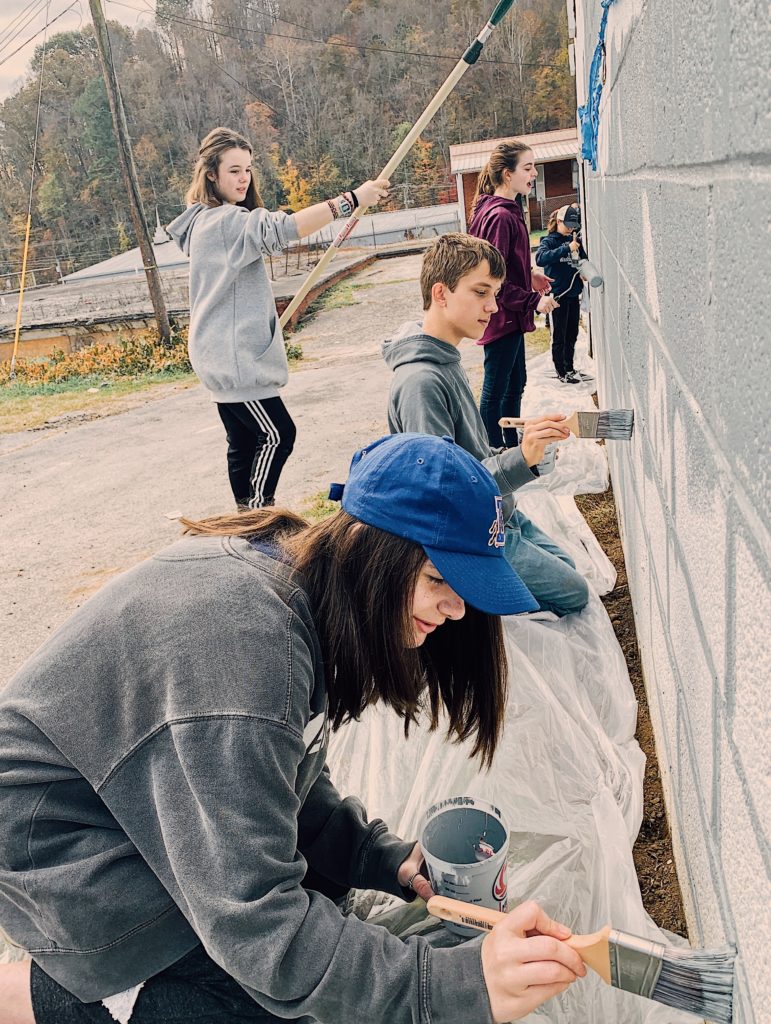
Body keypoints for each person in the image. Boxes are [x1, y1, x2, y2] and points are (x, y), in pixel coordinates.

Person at [0, 433, 587, 1024]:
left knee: (312, 933)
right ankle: (35, 994)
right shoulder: (246, 650)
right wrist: (455, 986)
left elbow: (279, 781)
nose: (457, 609)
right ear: (370, 549)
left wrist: (384, 858)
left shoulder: (300, 578)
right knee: (259, 1002)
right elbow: (255, 922)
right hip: (55, 839)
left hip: (129, 804)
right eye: (439, 579)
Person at [167, 127, 390, 509]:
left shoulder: (206, 221)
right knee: (277, 435)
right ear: (211, 175)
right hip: (235, 359)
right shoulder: (224, 222)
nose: (243, 178)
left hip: (219, 353)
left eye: (248, 169)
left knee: (243, 443)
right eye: (234, 170)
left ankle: (247, 514)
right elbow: (284, 229)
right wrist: (352, 200)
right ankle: (258, 514)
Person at [383, 233, 589, 618]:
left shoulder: (447, 360)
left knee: (571, 570)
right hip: (476, 535)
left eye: (495, 293)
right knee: (574, 594)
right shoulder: (421, 383)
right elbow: (447, 494)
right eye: (481, 292)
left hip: (500, 514)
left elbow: (472, 457)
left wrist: (531, 452)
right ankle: (473, 603)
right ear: (440, 294)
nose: (493, 307)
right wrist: (520, 462)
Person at [467, 142, 558, 448]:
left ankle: (509, 443)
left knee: (514, 383)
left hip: (510, 317)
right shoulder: (501, 217)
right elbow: (494, 281)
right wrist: (534, 300)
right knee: (495, 391)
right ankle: (492, 453)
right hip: (500, 316)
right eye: (527, 167)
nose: (534, 173)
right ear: (507, 175)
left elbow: (504, 264)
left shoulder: (504, 208)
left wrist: (529, 276)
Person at [535, 204, 589, 384]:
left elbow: (583, 259)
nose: (571, 229)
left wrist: (584, 271)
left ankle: (569, 367)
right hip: (558, 296)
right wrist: (567, 248)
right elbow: (541, 258)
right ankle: (560, 370)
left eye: (574, 226)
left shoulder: (575, 240)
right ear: (558, 221)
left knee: (572, 333)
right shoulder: (549, 241)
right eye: (568, 225)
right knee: (560, 335)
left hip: (573, 293)